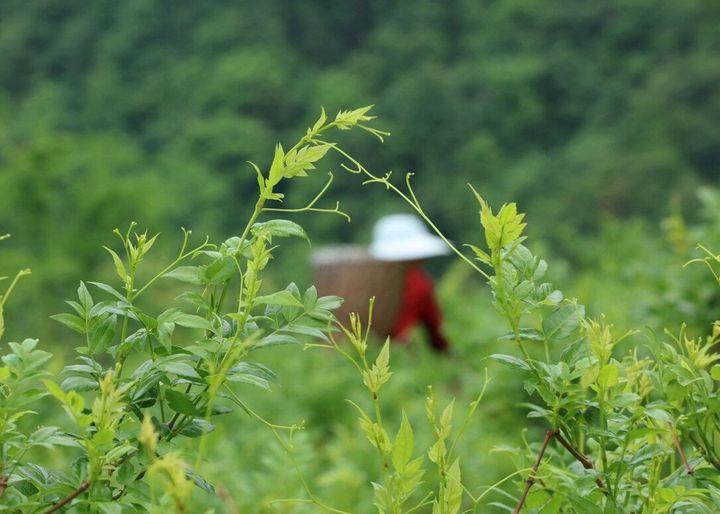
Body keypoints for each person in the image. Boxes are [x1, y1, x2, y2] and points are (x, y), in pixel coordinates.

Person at [369, 214, 452, 353]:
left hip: (363, 352)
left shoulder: (364, 282)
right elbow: (435, 331)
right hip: (399, 354)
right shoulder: (420, 283)